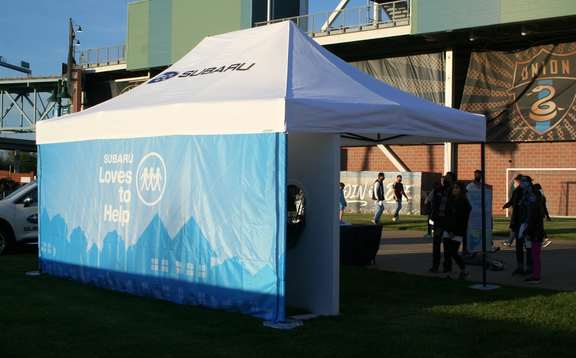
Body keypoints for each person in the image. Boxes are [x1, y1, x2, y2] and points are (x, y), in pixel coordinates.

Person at [442, 182, 472, 280]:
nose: (454, 189)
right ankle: (449, 274)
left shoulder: (465, 205)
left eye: (457, 188)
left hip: (457, 232)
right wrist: (445, 229)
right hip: (447, 230)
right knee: (447, 252)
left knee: (453, 252)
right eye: (453, 187)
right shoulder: (449, 202)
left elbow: (463, 221)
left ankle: (464, 270)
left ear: (461, 190)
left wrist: (454, 232)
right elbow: (446, 217)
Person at [465, 169, 499, 254]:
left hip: (482, 211)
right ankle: (470, 246)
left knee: (487, 227)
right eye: (476, 175)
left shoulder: (483, 187)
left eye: (479, 176)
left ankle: (489, 244)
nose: (478, 177)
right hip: (473, 213)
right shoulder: (470, 187)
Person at [429, 171, 456, 273]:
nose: (445, 180)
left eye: (448, 179)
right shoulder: (438, 190)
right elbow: (433, 203)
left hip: (448, 222)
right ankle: (435, 265)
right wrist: (433, 217)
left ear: (452, 181)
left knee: (447, 245)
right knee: (436, 244)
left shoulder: (453, 193)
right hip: (438, 220)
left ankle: (447, 266)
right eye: (445, 178)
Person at [510, 175, 534, 276]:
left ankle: (529, 268)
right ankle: (520, 267)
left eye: (525, 181)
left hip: (528, 222)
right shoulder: (517, 192)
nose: (523, 183)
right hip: (518, 222)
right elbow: (513, 203)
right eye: (522, 181)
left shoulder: (532, 193)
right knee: (518, 246)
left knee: (528, 247)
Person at [521, 189, 545, 283]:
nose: (531, 197)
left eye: (533, 195)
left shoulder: (535, 209)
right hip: (536, 234)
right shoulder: (537, 208)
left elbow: (532, 223)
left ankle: (536, 276)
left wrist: (525, 232)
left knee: (535, 256)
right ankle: (536, 274)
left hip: (535, 235)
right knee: (535, 255)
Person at [502, 174, 523, 247]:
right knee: (519, 228)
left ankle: (512, 242)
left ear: (518, 182)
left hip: (518, 213)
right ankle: (512, 242)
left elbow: (512, 201)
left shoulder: (518, 191)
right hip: (522, 212)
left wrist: (504, 206)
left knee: (515, 228)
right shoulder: (525, 191)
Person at [533, 183, 553, 248]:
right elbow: (544, 207)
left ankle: (545, 239)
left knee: (537, 227)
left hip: (537, 213)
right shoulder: (542, 197)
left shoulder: (537, 197)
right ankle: (543, 239)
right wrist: (547, 215)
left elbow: (542, 206)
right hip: (541, 213)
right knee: (538, 227)